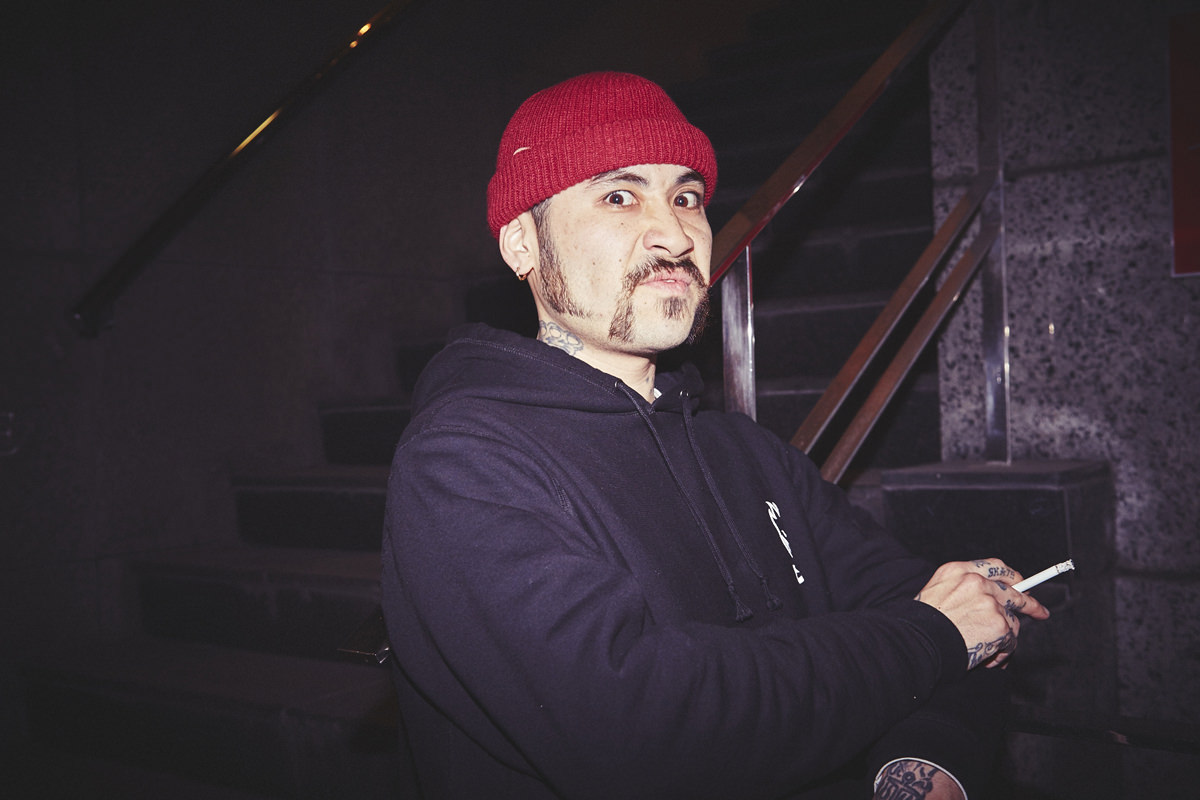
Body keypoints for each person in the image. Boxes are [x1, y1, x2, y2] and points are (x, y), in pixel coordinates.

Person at [380, 71, 1048, 800]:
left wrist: (923, 764)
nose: (676, 234)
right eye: (618, 196)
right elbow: (635, 726)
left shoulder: (744, 450)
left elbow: (947, 608)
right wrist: (930, 638)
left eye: (687, 197)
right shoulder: (462, 462)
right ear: (521, 244)